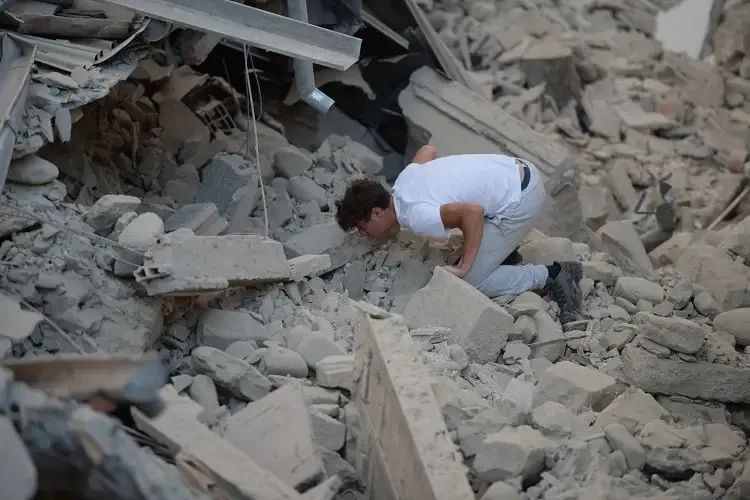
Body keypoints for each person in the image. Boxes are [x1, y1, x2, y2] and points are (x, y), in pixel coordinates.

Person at [334, 145, 583, 321]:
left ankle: (552, 275)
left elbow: (472, 212)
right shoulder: (403, 182)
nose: (365, 234)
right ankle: (502, 254)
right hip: (516, 170)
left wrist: (465, 266)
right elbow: (427, 150)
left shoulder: (416, 216)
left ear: (377, 213)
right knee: (471, 243)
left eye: (362, 226)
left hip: (521, 199)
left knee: (472, 280)